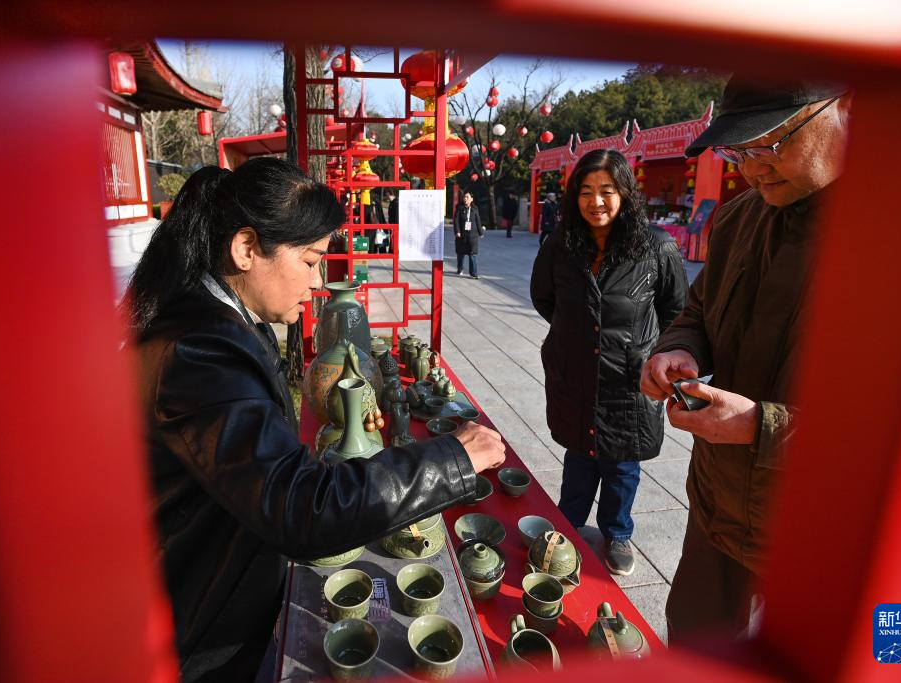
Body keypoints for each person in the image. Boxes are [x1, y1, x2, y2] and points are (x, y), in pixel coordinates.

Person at [123, 157, 506, 682]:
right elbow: (299, 507)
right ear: (246, 248)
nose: (318, 281)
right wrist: (452, 459)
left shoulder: (220, 323)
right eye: (309, 261)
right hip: (191, 632)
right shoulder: (200, 354)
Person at [639, 76, 851, 643]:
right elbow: (698, 311)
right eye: (739, 151)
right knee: (694, 645)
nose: (754, 169)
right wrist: (679, 349)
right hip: (719, 510)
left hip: (831, 536)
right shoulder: (738, 220)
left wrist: (762, 426)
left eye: (771, 144)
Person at [530, 149, 688, 575]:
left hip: (629, 377)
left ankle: (617, 531)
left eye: (606, 191)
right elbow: (544, 298)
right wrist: (577, 334)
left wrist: (646, 351)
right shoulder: (561, 244)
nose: (595, 202)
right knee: (579, 454)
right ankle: (568, 524)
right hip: (577, 371)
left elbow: (677, 310)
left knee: (622, 462)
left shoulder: (657, 246)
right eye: (586, 191)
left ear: (624, 194)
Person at [453, 191, 484, 278]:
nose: (465, 198)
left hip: (472, 236)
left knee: (472, 254)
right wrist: (457, 231)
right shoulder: (459, 208)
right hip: (461, 235)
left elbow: (478, 221)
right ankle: (460, 269)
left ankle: (473, 273)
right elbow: (456, 221)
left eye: (467, 197)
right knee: (460, 253)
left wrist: (481, 232)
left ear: (471, 199)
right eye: (464, 197)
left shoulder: (475, 209)